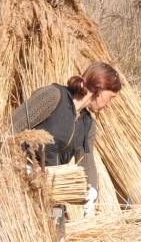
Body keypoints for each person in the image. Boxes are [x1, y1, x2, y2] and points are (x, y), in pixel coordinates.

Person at [9, 61, 122, 221]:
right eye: (110, 97)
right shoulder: (53, 96)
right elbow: (10, 127)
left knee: (57, 238)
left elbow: (86, 160)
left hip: (53, 192)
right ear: (100, 88)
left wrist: (92, 190)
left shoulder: (87, 124)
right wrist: (20, 166)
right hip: (18, 185)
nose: (109, 105)